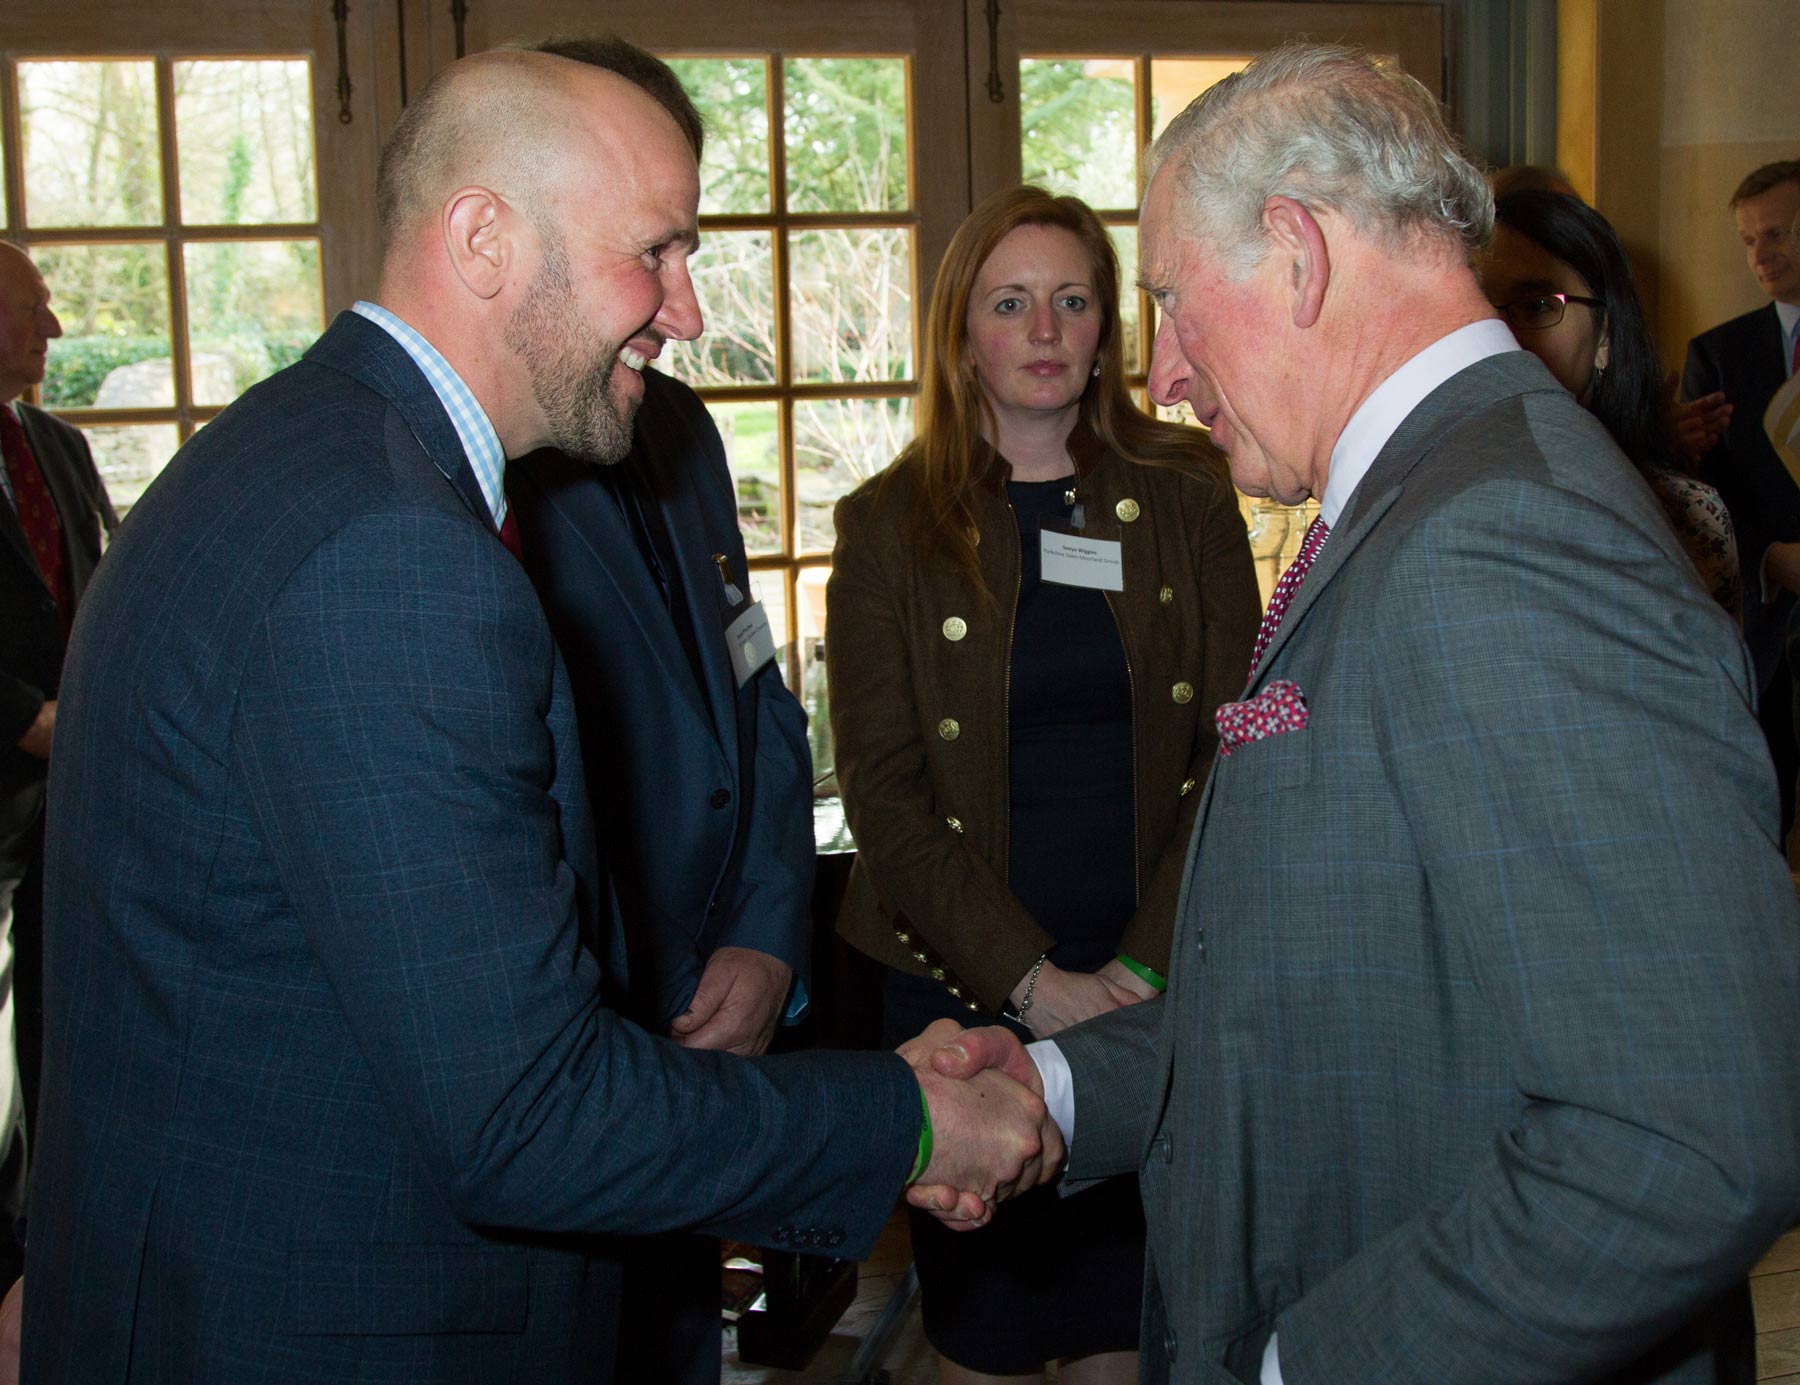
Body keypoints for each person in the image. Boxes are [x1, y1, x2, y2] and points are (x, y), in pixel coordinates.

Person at [21, 46, 1059, 1384]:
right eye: (655, 252)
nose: (685, 310)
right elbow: (522, 1110)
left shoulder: (294, 454)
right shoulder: (389, 550)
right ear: (484, 238)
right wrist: (905, 1125)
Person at [920, 44, 1800, 1384]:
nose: (1159, 372)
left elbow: (1689, 1136)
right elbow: (1339, 987)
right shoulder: (1436, 493)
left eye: (1170, 302)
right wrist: (1048, 1087)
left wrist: (1304, 1365)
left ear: (1295, 251)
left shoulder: (1501, 533)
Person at [827, 184, 1259, 1384]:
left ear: (1107, 326)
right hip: (959, 988)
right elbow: (885, 793)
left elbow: (1240, 746)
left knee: (1124, 1334)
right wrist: (1032, 982)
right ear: (962, 330)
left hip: (1147, 971)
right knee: (992, 1337)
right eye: (1010, 303)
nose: (1045, 329)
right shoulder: (885, 527)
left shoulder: (1184, 491)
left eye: (1073, 301)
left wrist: (1140, 969)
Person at [503, 37, 816, 1385]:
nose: (686, 305)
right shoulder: (460, 483)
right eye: (657, 250)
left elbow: (758, 700)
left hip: (712, 1035)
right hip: (580, 1046)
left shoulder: (678, 435)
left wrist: (769, 939)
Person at [0, 241, 116, 1287]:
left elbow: (104, 590)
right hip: (6, 783)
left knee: (56, 1039)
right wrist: (33, 720)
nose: (54, 329)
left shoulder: (59, 446)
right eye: (33, 307)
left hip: (76, 810)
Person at [1484, 189, 1741, 621]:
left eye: (1538, 307)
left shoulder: (1688, 520)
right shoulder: (1417, 493)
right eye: (1478, 309)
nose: (1499, 335)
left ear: (1606, 337)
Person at [1681, 160, 1800, 836]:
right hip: (1762, 630)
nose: (1763, 255)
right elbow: (1702, 501)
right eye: (1750, 240)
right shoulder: (1719, 354)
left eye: (1777, 234)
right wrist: (1769, 557)